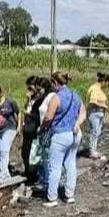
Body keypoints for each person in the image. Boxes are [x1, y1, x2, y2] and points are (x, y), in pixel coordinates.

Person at [39, 71, 86, 207]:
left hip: (60, 134)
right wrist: (77, 124)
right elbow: (83, 113)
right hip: (75, 134)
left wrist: (42, 128)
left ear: (54, 82)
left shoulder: (56, 98)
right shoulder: (75, 95)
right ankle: (69, 195)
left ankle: (52, 197)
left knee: (55, 166)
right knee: (71, 164)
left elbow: (48, 117)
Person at [20, 76, 41, 185]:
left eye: (30, 87)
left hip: (35, 128)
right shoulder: (31, 98)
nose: (29, 90)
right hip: (27, 127)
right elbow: (25, 108)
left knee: (33, 153)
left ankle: (34, 176)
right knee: (24, 152)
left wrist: (29, 114)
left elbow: (40, 115)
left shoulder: (40, 99)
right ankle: (28, 173)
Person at [86, 72, 109, 160]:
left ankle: (94, 150)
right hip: (94, 113)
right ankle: (92, 151)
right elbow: (92, 101)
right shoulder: (94, 88)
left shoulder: (99, 89)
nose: (108, 85)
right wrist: (104, 106)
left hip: (98, 114)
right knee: (94, 132)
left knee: (97, 132)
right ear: (104, 81)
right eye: (108, 83)